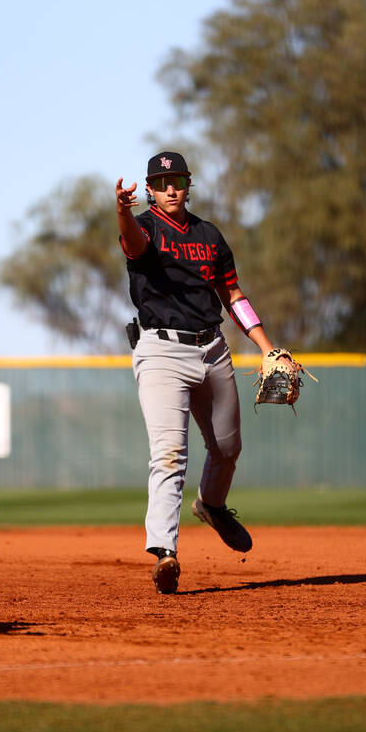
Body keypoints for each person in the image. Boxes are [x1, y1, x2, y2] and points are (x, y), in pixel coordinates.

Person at [115, 150, 281, 595]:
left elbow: (232, 292)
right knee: (169, 455)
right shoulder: (144, 227)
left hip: (212, 348)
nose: (171, 188)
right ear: (148, 190)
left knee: (228, 448)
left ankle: (211, 504)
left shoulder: (209, 235)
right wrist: (121, 212)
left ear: (188, 185)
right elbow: (132, 244)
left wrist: (267, 348)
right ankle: (165, 552)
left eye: (179, 180)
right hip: (162, 352)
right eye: (162, 182)